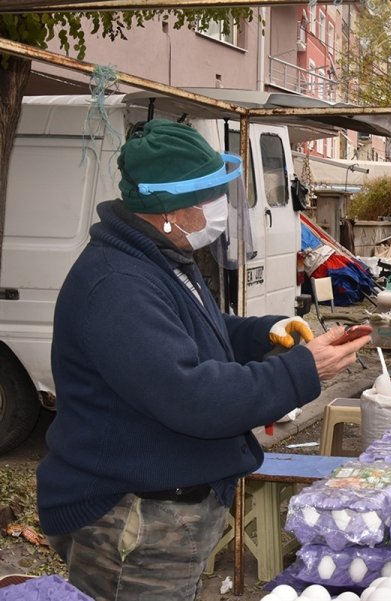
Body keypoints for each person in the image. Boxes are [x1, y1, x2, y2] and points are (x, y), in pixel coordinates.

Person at [36, 120, 369, 601]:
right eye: (210, 196)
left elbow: (194, 330)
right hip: (136, 520)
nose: (220, 209)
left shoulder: (160, 256)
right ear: (171, 209)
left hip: (164, 510)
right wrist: (303, 370)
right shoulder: (118, 285)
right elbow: (194, 399)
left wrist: (263, 333)